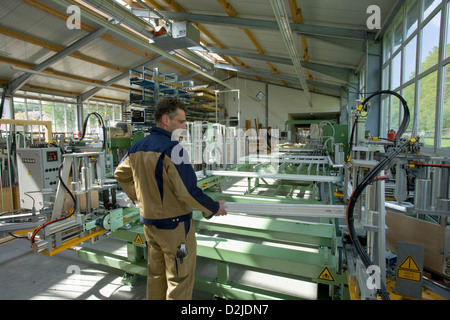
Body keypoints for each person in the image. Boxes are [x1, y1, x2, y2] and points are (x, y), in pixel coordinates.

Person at [114, 98, 227, 300]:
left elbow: (120, 175)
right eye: (181, 122)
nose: (184, 127)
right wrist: (213, 207)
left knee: (156, 275)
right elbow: (187, 192)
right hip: (174, 228)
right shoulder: (174, 149)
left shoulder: (136, 147)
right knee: (179, 280)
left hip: (150, 225)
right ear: (166, 120)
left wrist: (140, 196)